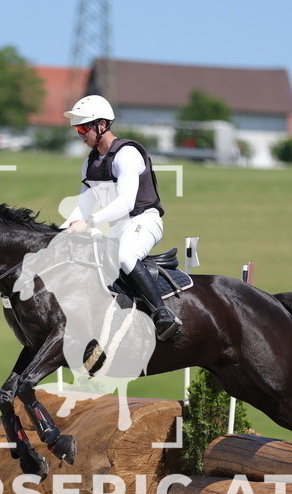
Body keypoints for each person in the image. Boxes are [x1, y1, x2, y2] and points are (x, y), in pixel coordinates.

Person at [59, 95, 182, 341]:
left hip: (143, 220)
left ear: (102, 125)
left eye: (84, 127)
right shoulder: (90, 163)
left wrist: (89, 223)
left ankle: (163, 313)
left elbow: (126, 202)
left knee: (125, 256)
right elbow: (83, 205)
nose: (80, 133)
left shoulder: (127, 154)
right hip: (116, 228)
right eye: (77, 129)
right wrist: (58, 232)